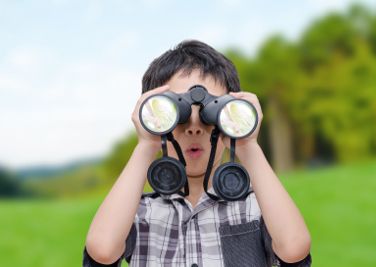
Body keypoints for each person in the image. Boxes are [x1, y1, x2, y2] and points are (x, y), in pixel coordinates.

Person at [83, 40, 312, 267]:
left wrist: (246, 143)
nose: (194, 127)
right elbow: (102, 250)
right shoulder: (139, 211)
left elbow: (293, 249)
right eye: (178, 113)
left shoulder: (257, 206)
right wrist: (147, 143)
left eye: (211, 113)